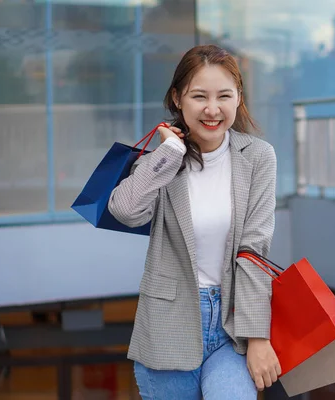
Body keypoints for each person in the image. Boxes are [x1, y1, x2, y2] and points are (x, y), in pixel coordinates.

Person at [108, 44, 281, 399]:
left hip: (232, 325)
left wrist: (258, 336)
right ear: (177, 98)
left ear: (238, 99)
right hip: (169, 325)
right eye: (199, 96)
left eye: (224, 96)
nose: (212, 109)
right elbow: (124, 210)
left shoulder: (258, 157)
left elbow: (255, 249)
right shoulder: (163, 162)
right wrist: (169, 153)